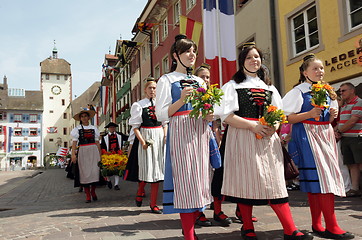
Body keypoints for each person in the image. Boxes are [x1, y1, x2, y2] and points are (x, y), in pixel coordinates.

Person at [215, 43, 312, 240]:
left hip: (267, 138)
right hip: (242, 136)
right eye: (249, 57)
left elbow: (279, 113)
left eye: (257, 57)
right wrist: (253, 126)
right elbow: (226, 115)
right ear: (242, 61)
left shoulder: (268, 86)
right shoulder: (232, 86)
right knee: (245, 181)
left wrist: (272, 126)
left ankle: (290, 229)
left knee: (274, 182)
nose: (254, 60)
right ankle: (248, 227)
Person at [282, 53, 354, 239]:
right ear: (305, 72)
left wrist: (331, 114)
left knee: (319, 181)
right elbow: (285, 117)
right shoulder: (298, 92)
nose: (319, 71)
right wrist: (309, 114)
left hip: (325, 135)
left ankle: (318, 224)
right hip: (308, 136)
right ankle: (332, 226)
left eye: (321, 68)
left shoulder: (327, 91)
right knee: (323, 180)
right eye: (315, 68)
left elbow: (327, 118)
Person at [155, 34, 214, 240]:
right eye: (187, 51)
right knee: (185, 181)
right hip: (180, 130)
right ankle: (189, 235)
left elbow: (208, 108)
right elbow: (160, 114)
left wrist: (210, 114)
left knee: (198, 179)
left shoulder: (199, 80)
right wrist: (180, 100)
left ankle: (191, 227)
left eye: (194, 51)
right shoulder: (166, 79)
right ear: (175, 55)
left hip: (199, 131)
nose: (192, 55)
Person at [194, 63, 232, 227]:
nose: (206, 79)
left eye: (208, 77)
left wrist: (219, 140)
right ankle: (198, 212)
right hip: (197, 137)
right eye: (202, 76)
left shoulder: (214, 96)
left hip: (212, 138)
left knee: (217, 176)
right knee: (200, 176)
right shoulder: (193, 96)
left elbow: (217, 122)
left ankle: (217, 211)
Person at [126, 78, 167, 214]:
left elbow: (164, 122)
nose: (152, 90)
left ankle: (153, 204)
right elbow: (135, 127)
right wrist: (142, 142)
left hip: (159, 137)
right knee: (146, 169)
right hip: (146, 137)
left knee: (157, 172)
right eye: (150, 88)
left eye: (155, 88)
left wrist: (165, 136)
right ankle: (140, 191)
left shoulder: (162, 104)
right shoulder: (139, 105)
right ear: (145, 90)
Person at [71, 108, 101, 203]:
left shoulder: (94, 128)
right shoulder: (77, 129)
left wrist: (100, 154)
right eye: (82, 116)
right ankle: (87, 194)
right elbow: (74, 144)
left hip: (93, 151)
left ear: (88, 117)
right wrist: (73, 155)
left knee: (94, 172)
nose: (84, 118)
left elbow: (97, 142)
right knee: (84, 173)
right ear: (80, 118)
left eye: (85, 116)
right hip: (83, 151)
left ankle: (93, 191)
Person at [337, 83, 362, 197]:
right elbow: (341, 122)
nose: (341, 93)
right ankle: (355, 188)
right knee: (352, 164)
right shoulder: (344, 105)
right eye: (340, 91)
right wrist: (336, 131)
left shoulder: (359, 102)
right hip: (346, 138)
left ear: (352, 91)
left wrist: (339, 131)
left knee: (360, 163)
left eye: (344, 91)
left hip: (356, 138)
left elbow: (353, 121)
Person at [100, 122, 128, 190]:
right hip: (108, 155)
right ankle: (108, 180)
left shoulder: (120, 135)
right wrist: (104, 153)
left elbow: (128, 138)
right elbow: (102, 146)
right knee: (107, 170)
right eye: (111, 128)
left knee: (117, 170)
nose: (112, 129)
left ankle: (116, 184)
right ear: (108, 128)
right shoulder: (104, 137)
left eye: (113, 127)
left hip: (118, 155)